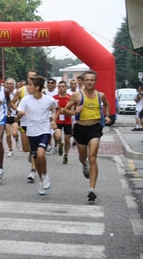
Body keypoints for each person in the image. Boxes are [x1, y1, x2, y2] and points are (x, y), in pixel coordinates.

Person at [63, 69, 111, 201]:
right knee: (83, 157)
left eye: (92, 80)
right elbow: (65, 110)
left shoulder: (100, 95)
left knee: (93, 158)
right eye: (87, 80)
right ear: (83, 81)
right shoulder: (77, 96)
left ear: (95, 81)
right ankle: (84, 166)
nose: (89, 82)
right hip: (80, 129)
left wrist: (106, 116)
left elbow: (107, 105)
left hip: (95, 129)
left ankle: (92, 189)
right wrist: (74, 112)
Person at [17, 75, 57, 195]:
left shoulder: (48, 100)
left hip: (44, 131)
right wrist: (20, 114)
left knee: (40, 154)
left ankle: (45, 176)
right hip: (31, 132)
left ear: (37, 87)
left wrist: (54, 120)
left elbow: (58, 108)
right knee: (36, 160)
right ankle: (41, 181)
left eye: (30, 85)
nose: (27, 87)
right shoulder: (25, 100)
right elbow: (16, 117)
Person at [10, 70, 39, 182]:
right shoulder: (21, 90)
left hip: (36, 123)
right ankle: (31, 154)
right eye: (29, 77)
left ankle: (33, 170)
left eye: (33, 77)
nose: (31, 79)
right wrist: (18, 110)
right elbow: (12, 102)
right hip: (24, 122)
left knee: (34, 149)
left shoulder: (40, 91)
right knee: (26, 148)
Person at [53, 81, 72, 164]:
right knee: (58, 136)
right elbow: (51, 109)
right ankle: (60, 144)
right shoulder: (54, 97)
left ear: (66, 88)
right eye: (59, 86)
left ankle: (66, 155)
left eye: (63, 86)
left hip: (68, 120)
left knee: (67, 139)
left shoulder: (70, 97)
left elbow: (74, 109)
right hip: (58, 120)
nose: (61, 88)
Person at [4, 77, 20, 157]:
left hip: (15, 116)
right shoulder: (3, 93)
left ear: (13, 85)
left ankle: (17, 139)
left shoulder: (16, 93)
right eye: (7, 84)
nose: (9, 85)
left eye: (11, 84)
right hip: (6, 116)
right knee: (7, 134)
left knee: (14, 133)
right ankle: (10, 150)